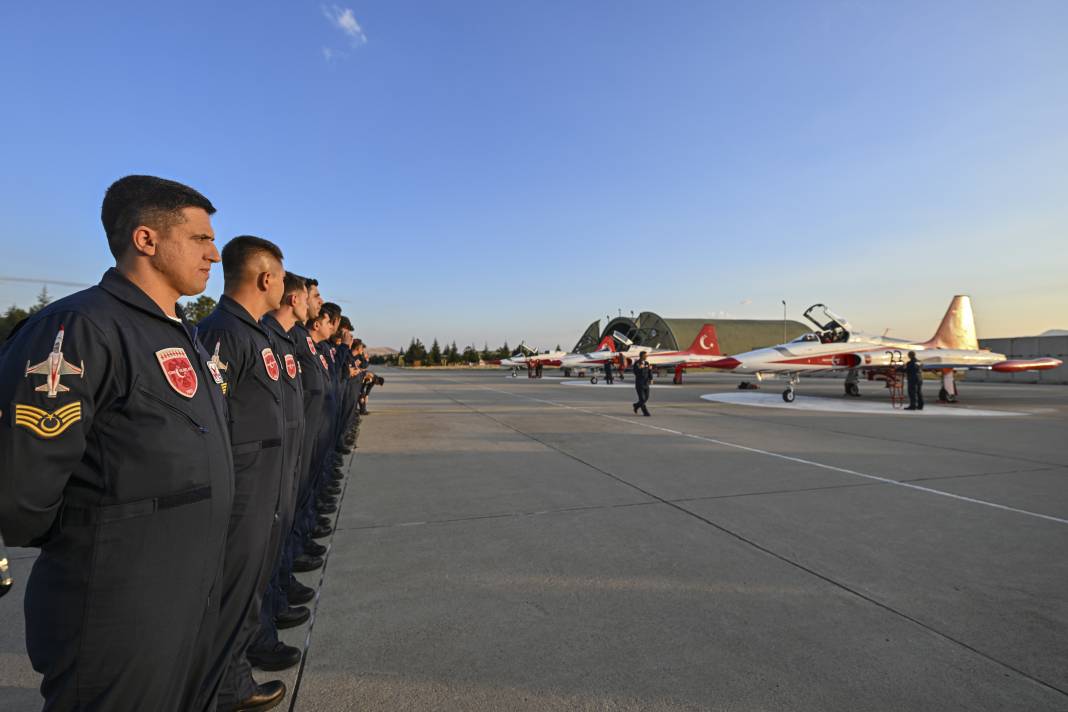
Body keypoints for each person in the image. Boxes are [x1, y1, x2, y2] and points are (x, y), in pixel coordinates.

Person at [0, 175, 233, 711]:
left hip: (181, 589)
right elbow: (22, 495)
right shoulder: (81, 327)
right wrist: (107, 537)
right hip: (117, 601)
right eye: (200, 238)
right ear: (146, 240)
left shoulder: (175, 331)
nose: (214, 254)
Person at [197, 235, 289, 712]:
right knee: (231, 589)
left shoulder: (251, 331)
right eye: (280, 274)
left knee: (247, 585)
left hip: (260, 479)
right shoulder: (223, 332)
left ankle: (232, 680)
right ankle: (228, 687)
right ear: (266, 278)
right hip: (241, 482)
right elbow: (212, 418)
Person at [248, 272, 311, 673]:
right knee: (253, 564)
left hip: (289, 453)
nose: (312, 305)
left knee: (278, 541)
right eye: (310, 297)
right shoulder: (243, 334)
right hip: (257, 468)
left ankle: (275, 607)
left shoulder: (283, 339)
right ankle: (249, 651)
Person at [632, 351, 653, 416]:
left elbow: (649, 371)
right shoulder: (637, 363)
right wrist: (640, 368)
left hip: (646, 383)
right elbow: (636, 373)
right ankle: (645, 412)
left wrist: (651, 378)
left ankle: (636, 405)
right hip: (640, 383)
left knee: (646, 397)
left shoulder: (647, 363)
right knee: (642, 399)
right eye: (645, 355)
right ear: (642, 356)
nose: (646, 356)